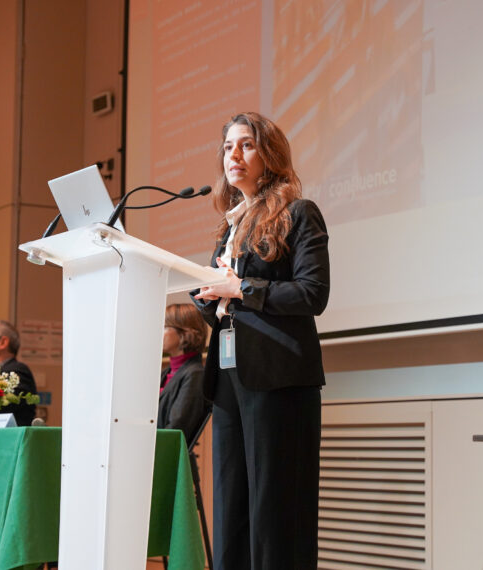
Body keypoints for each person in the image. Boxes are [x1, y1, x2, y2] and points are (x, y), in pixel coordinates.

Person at [191, 112, 330, 570]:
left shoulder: (298, 213)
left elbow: (313, 294)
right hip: (231, 377)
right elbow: (232, 306)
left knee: (275, 513)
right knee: (231, 505)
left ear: (269, 154)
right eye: (228, 146)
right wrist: (209, 298)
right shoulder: (230, 226)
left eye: (246, 145)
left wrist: (241, 289)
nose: (234, 155)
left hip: (279, 378)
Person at [157, 303, 210, 445]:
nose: (159, 333)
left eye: (165, 327)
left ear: (185, 333)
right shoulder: (164, 373)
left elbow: (177, 428)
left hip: (169, 458)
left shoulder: (195, 374)